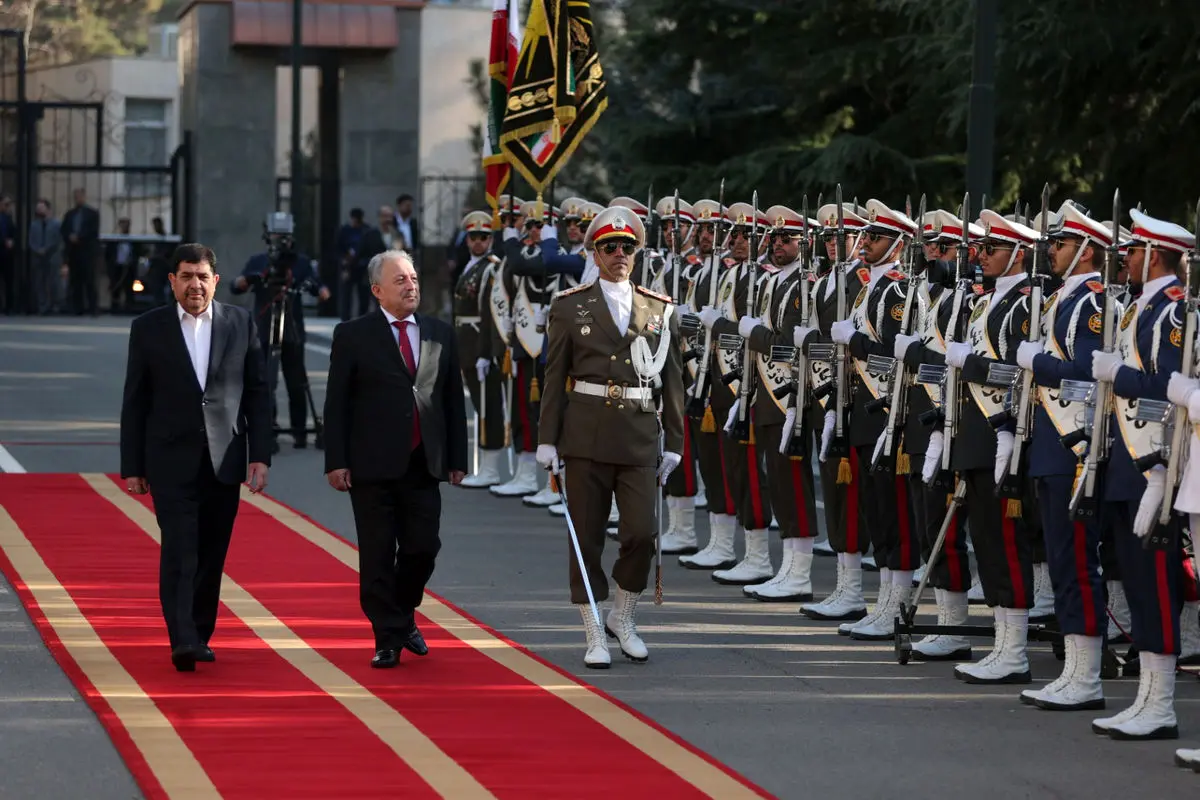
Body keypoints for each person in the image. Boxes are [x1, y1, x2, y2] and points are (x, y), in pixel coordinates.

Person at [536, 205, 685, 668]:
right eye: (610, 247)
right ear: (595, 253)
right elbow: (554, 376)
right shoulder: (569, 306)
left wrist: (676, 443)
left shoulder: (658, 307)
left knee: (641, 532)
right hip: (586, 434)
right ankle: (594, 630)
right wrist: (547, 439)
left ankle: (623, 615)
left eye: (627, 247)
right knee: (586, 536)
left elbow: (673, 381)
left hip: (639, 432)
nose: (620, 253)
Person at [119, 243, 272, 672]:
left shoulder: (240, 323)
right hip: (169, 459)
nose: (195, 285)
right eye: (186, 276)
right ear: (172, 281)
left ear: (215, 281)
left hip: (225, 459)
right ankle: (182, 637)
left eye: (202, 276)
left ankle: (200, 633)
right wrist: (133, 466)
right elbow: (135, 400)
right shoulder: (148, 328)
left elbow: (258, 394)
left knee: (211, 553)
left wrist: (260, 455)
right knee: (180, 548)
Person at [323, 249, 468, 669]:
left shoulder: (440, 333)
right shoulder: (353, 335)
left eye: (414, 278)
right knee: (377, 555)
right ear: (377, 290)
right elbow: (337, 403)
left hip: (424, 461)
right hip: (371, 464)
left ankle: (401, 615)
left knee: (423, 548)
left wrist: (457, 457)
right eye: (400, 280)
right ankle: (387, 637)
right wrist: (336, 460)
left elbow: (451, 401)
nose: (411, 286)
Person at [230, 228, 331, 450]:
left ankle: (299, 431)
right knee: (266, 380)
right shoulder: (258, 262)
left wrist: (321, 290)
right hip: (265, 329)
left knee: (297, 382)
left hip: (292, 329)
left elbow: (317, 285)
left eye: (285, 237)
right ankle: (268, 429)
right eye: (276, 237)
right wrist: (246, 280)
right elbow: (236, 286)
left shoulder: (301, 263)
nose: (281, 242)